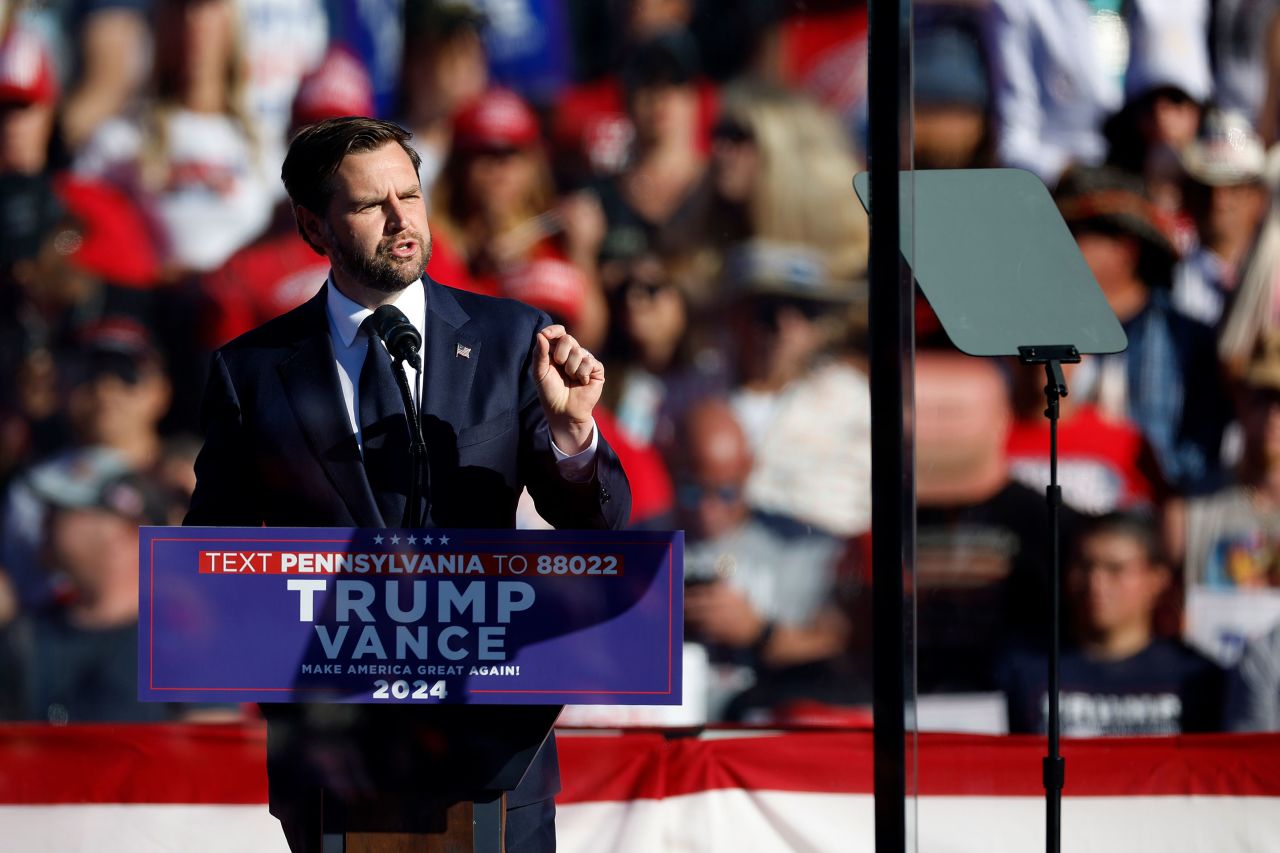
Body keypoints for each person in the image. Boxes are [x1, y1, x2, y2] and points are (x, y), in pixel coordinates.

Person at [183, 116, 631, 853]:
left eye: (411, 196)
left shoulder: (513, 339)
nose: (401, 220)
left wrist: (573, 435)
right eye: (369, 204)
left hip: (496, 753)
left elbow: (599, 519)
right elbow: (213, 554)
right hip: (335, 758)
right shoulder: (253, 370)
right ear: (312, 224)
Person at [1000, 512, 1225, 735]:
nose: (1095, 583)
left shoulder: (1198, 678)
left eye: (1115, 569)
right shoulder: (1021, 669)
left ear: (1158, 579)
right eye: (1084, 566)